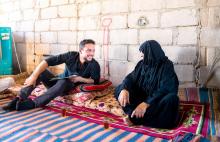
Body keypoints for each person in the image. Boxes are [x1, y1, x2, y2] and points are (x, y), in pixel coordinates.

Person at [3, 39, 100, 111]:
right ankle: (18, 99)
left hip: (66, 88)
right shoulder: (71, 55)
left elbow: (95, 81)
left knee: (65, 81)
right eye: (88, 50)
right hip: (55, 83)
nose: (91, 53)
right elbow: (47, 61)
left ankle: (33, 103)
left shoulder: (94, 65)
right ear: (81, 51)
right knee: (39, 72)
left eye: (93, 50)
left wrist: (80, 79)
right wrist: (33, 76)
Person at [115, 40, 179, 129]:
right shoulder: (142, 64)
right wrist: (124, 89)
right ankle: (135, 113)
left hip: (155, 102)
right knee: (120, 89)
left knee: (172, 99)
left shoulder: (166, 65)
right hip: (140, 99)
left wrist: (146, 103)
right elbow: (130, 78)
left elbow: (166, 88)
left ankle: (136, 119)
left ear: (151, 54)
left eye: (143, 55)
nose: (141, 57)